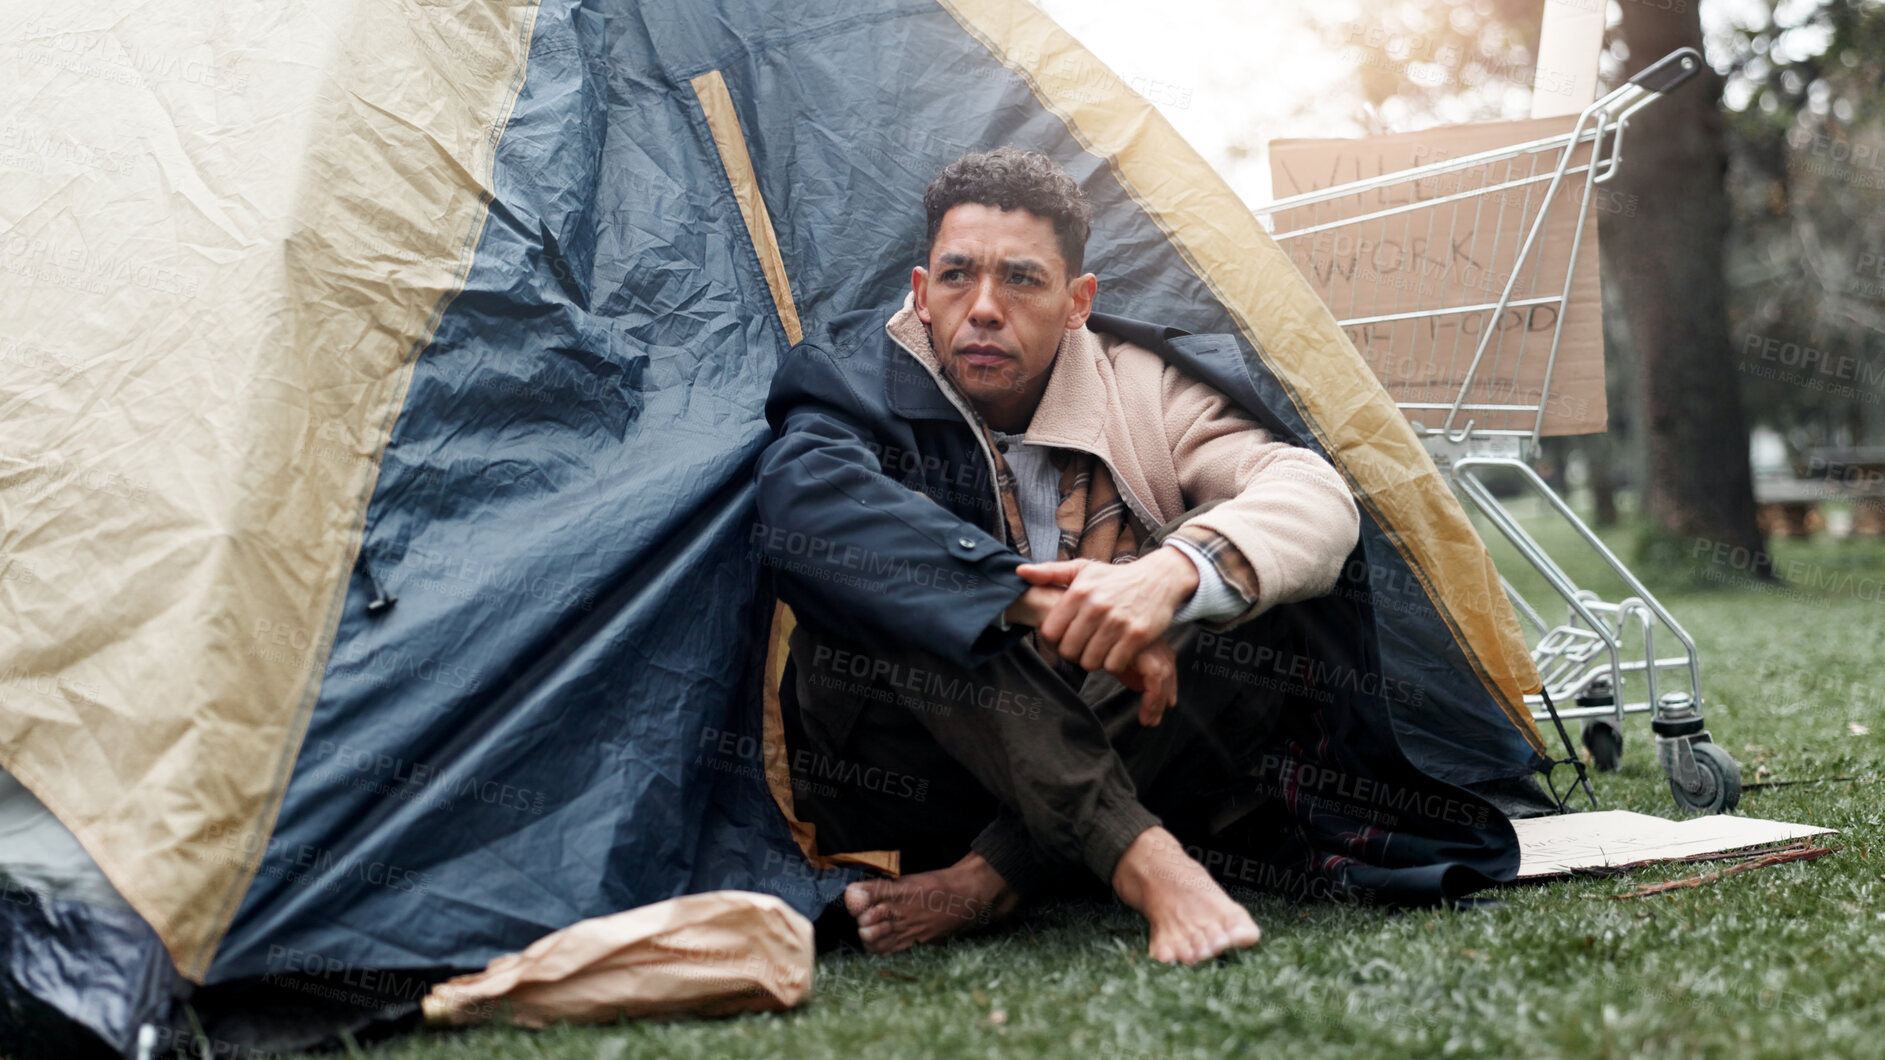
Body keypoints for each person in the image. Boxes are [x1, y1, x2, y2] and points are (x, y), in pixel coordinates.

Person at [753, 147, 1359, 965]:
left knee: (1232, 582)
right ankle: (1144, 861)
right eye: (957, 277)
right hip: (911, 779)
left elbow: (1313, 494)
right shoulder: (851, 380)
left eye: (1022, 281)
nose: (984, 309)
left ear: (1078, 302)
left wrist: (1169, 575)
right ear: (919, 289)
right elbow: (802, 505)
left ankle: (993, 877)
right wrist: (1027, 599)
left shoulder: (1143, 386)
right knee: (899, 590)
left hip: (1120, 741)